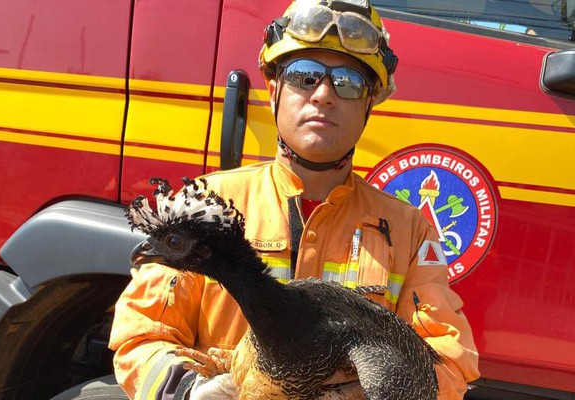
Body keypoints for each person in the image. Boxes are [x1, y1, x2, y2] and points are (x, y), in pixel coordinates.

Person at [109, 0, 480, 398]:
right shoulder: (206, 208)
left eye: (349, 83)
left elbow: (449, 359)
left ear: (369, 104)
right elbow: (140, 335)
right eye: (305, 76)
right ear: (273, 90)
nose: (323, 95)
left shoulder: (409, 230)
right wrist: (192, 392)